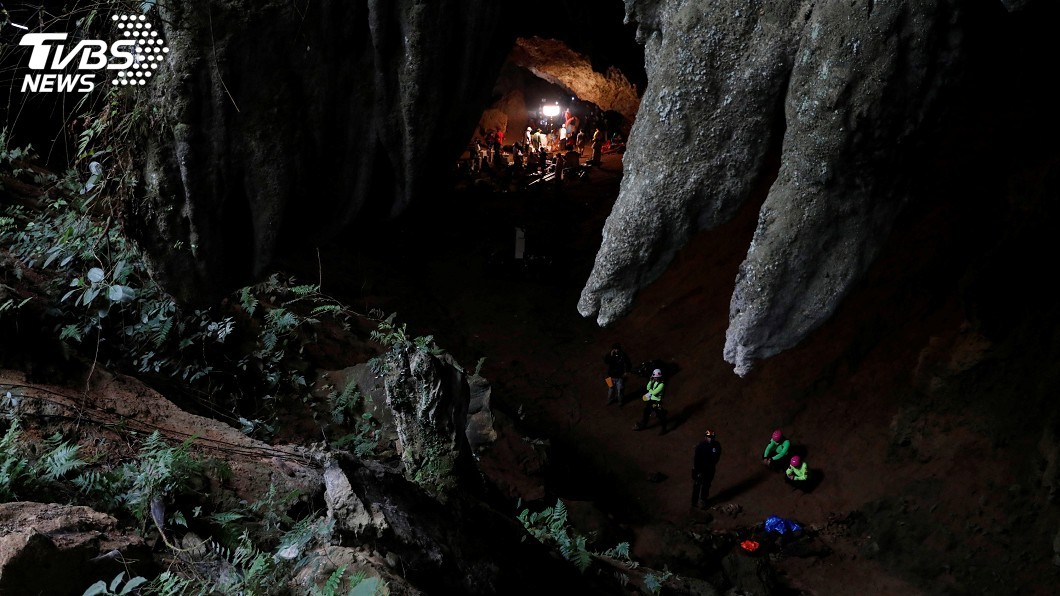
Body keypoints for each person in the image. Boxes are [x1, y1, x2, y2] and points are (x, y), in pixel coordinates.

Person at [692, 429, 722, 508]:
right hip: (700, 469)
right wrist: (697, 471)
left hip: (710, 469)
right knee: (697, 485)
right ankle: (694, 503)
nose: (710, 439)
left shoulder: (716, 446)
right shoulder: (700, 446)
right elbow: (696, 459)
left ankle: (703, 500)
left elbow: (716, 457)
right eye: (708, 437)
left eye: (712, 437)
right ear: (705, 437)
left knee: (706, 484)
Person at [633, 369, 667, 433]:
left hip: (656, 402)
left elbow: (654, 392)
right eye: (654, 377)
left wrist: (650, 391)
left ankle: (664, 429)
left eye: (656, 377)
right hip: (652, 400)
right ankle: (643, 425)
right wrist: (650, 381)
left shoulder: (661, 385)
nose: (655, 378)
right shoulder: (654, 382)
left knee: (660, 416)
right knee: (646, 412)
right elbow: (648, 388)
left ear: (659, 377)